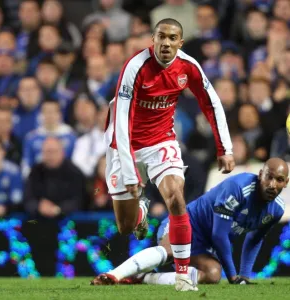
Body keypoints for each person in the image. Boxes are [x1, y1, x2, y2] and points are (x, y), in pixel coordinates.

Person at [103, 18, 235, 291]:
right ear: (153, 39)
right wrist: (130, 172)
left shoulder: (188, 66)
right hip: (123, 143)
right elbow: (122, 122)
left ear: (180, 42)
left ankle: (183, 276)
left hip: (161, 141)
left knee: (176, 196)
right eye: (161, 37)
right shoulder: (135, 67)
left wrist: (225, 148)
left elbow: (211, 103)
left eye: (172, 38)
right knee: (125, 227)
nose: (166, 43)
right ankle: (140, 212)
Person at [92, 158, 288, 287]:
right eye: (269, 177)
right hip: (185, 223)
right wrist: (234, 277)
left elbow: (254, 239)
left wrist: (245, 276)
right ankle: (113, 275)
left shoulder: (276, 210)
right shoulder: (239, 187)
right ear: (260, 173)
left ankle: (145, 278)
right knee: (169, 252)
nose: (272, 184)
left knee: (212, 274)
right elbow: (219, 235)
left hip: (203, 245)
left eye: (279, 180)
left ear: (285, 183)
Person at [0, 138, 23, 218]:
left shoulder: (14, 171)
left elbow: (17, 199)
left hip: (9, 214)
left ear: (3, 152)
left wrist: (4, 209)